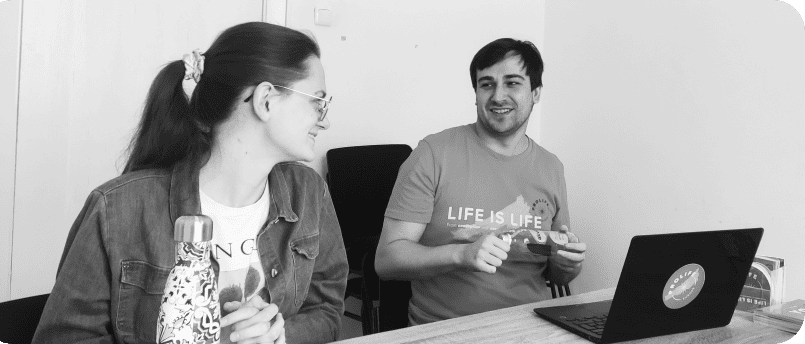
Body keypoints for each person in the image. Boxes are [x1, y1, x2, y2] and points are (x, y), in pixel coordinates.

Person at [33, 22, 348, 344]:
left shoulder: (308, 192)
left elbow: (326, 310)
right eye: (316, 100)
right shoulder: (117, 208)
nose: (323, 119)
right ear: (266, 100)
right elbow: (64, 338)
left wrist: (279, 336)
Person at [375, 38, 587, 325]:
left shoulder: (551, 167)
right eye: (487, 84)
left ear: (535, 93)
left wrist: (566, 266)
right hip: (445, 328)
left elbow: (555, 272)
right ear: (475, 93)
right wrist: (461, 254)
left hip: (531, 327)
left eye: (512, 83)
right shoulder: (433, 154)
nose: (498, 96)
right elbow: (387, 261)